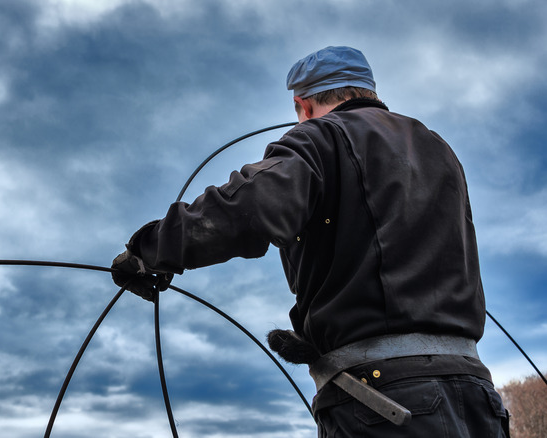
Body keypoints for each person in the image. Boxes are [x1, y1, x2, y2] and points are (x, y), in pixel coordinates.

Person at [111, 46, 509, 437]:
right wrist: (314, 341)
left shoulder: (320, 137)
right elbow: (384, 265)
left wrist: (147, 251)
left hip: (386, 403)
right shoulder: (439, 149)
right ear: (368, 91)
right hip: (477, 399)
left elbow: (249, 207)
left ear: (302, 105)